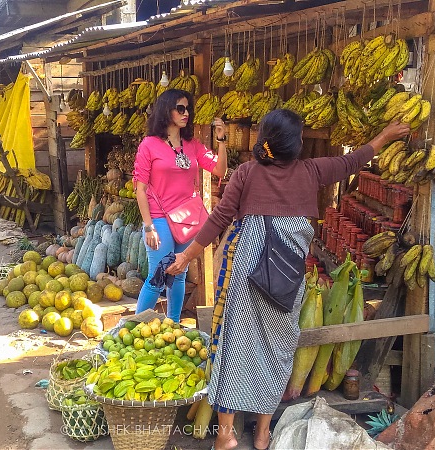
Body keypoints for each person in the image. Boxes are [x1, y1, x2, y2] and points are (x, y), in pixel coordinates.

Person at [166, 109, 410, 450]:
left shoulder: (247, 173)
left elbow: (218, 218)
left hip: (247, 272)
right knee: (278, 351)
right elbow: (352, 161)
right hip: (287, 278)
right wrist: (385, 136)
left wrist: (185, 257)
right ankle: (264, 434)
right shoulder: (311, 171)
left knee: (233, 346)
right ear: (292, 144)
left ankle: (226, 435)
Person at [132, 88, 228, 323]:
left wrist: (222, 141)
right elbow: (140, 189)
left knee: (180, 273)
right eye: (180, 108)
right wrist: (148, 226)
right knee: (158, 275)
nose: (186, 113)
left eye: (188, 109)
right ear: (167, 111)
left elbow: (219, 170)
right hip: (159, 218)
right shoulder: (149, 145)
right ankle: (133, 328)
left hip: (186, 218)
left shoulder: (192, 144)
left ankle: (173, 325)